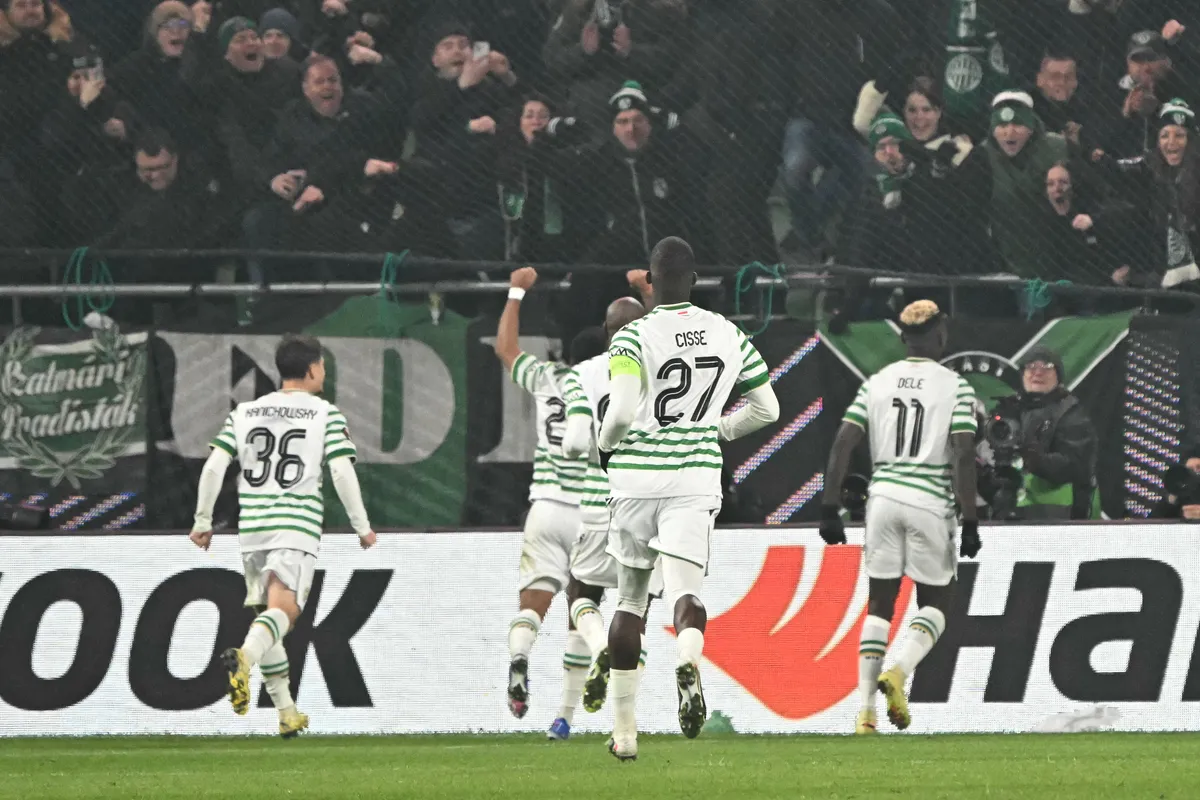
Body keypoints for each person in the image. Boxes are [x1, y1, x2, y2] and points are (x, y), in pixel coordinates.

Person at [596, 236, 780, 760]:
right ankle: (687, 656)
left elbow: (624, 410)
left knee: (630, 602)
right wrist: (716, 431)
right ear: (695, 280)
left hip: (634, 481)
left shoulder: (631, 336)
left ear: (650, 282)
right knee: (686, 595)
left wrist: (607, 447)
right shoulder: (727, 332)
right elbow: (766, 408)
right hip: (693, 480)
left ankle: (625, 734)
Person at [188, 334, 376, 738]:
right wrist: (362, 526)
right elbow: (342, 471)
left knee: (266, 617)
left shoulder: (244, 413)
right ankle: (243, 659)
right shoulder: (325, 413)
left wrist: (203, 521)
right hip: (295, 524)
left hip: (253, 528)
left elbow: (214, 467)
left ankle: (287, 712)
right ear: (311, 370)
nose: (324, 372)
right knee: (285, 613)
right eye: (322, 365)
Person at [818, 300, 981, 736]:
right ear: (941, 333)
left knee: (879, 603)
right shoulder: (956, 387)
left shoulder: (876, 382)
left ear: (904, 338)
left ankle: (866, 712)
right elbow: (964, 452)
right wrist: (971, 520)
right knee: (937, 603)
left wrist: (829, 506)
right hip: (929, 498)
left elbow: (842, 444)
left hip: (883, 496)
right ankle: (899, 672)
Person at [554, 297, 663, 740]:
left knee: (580, 596)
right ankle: (623, 727)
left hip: (600, 504)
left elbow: (577, 442)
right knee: (633, 616)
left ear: (604, 330)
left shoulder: (585, 373)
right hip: (651, 505)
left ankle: (587, 670)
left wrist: (581, 446)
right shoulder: (663, 370)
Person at [491, 267, 591, 720]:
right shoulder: (612, 384)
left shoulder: (549, 377)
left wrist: (516, 290)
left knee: (533, 599)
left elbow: (506, 349)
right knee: (582, 606)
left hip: (545, 505)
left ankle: (519, 658)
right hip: (590, 512)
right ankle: (566, 714)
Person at [1012, 346, 1100, 520]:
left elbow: (1075, 467)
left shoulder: (1072, 414)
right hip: (1018, 513)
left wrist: (1036, 459)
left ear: (1058, 376)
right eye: (1031, 367)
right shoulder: (1012, 411)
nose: (1037, 372)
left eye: (1046, 367)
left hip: (1063, 517)